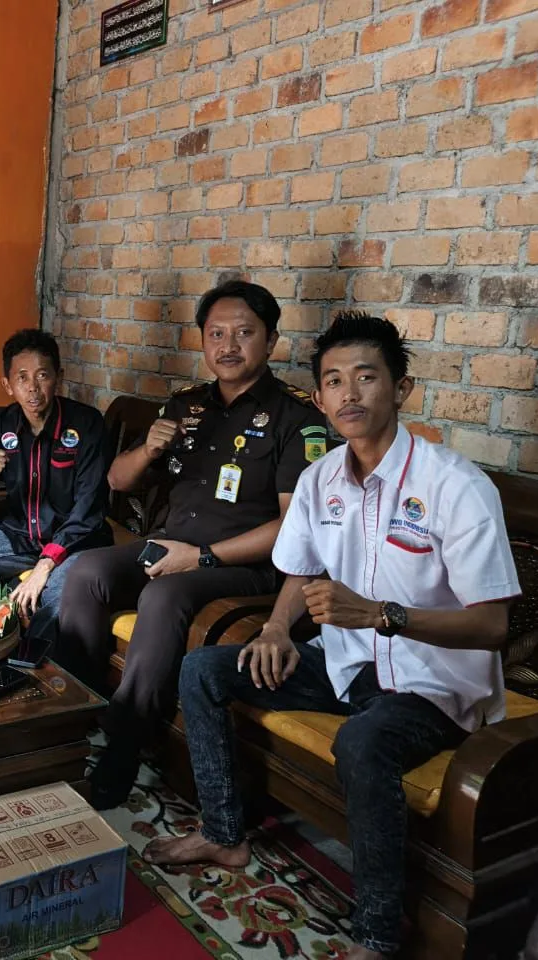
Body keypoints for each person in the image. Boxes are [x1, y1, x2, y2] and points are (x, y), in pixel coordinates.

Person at [143, 312, 520, 960]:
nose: (350, 394)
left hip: (431, 684)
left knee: (362, 743)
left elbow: (492, 625)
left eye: (367, 377)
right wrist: (276, 629)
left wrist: (382, 615)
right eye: (335, 381)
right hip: (345, 665)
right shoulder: (320, 480)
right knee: (203, 670)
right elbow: (301, 569)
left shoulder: (456, 486)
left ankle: (377, 935)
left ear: (401, 388)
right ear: (319, 398)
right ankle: (225, 835)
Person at [58, 280, 329, 809]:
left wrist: (201, 557)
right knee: (87, 570)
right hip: (170, 545)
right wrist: (147, 451)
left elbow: (294, 527)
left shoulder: (297, 419)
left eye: (244, 333)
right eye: (216, 334)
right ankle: (73, 713)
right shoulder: (185, 405)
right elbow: (116, 480)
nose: (228, 346)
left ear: (271, 341)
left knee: (163, 595)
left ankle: (123, 746)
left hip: (243, 564)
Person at [0, 329, 110, 639]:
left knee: (59, 591)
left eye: (42, 375)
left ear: (58, 378)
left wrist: (45, 565)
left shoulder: (86, 424)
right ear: (8, 385)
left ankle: (35, 660)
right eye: (22, 378)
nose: (33, 387)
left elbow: (89, 509)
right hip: (20, 537)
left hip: (75, 543)